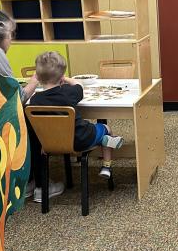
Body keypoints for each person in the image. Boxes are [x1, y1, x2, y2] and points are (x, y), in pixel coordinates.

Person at [28, 51, 124, 201]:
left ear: (38, 77)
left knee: (95, 131)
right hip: (81, 139)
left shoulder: (34, 100)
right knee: (106, 128)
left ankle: (105, 142)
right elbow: (79, 85)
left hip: (49, 143)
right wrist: (66, 78)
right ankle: (106, 164)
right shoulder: (68, 92)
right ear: (61, 77)